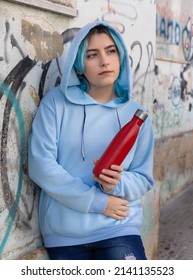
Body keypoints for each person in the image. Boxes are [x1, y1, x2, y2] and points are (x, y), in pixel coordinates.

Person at [28, 20, 154, 260]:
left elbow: (143, 177)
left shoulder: (138, 116)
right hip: (64, 232)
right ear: (79, 64)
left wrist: (116, 184)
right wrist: (96, 201)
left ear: (120, 57)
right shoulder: (56, 103)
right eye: (92, 55)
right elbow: (40, 165)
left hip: (118, 227)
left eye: (111, 51)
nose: (104, 61)